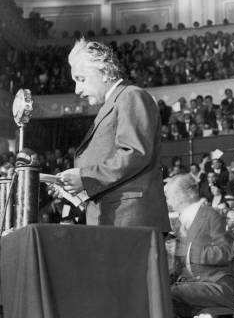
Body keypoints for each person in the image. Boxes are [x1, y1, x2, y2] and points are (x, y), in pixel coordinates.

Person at [56, 38, 169, 231]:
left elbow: (134, 154)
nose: (77, 90)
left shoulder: (131, 95)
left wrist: (85, 177)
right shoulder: (113, 104)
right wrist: (79, 187)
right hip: (115, 217)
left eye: (81, 79)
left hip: (130, 219)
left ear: (105, 71)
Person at [165, 174, 234, 318]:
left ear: (181, 195)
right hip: (189, 284)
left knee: (167, 294)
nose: (168, 202)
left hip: (216, 286)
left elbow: (226, 252)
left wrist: (188, 251)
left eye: (169, 196)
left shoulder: (211, 215)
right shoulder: (178, 222)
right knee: (158, 293)